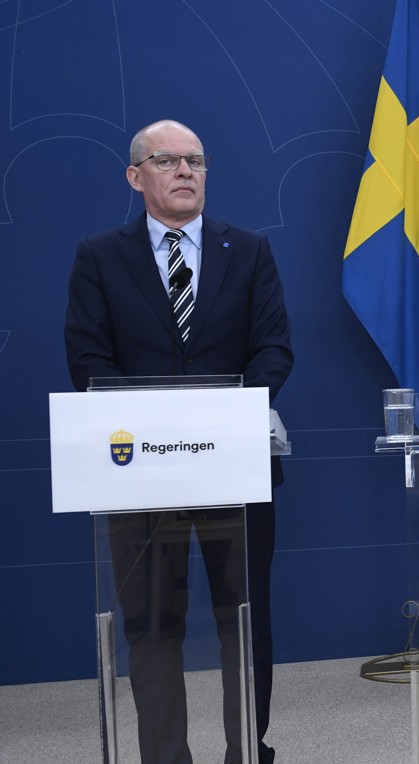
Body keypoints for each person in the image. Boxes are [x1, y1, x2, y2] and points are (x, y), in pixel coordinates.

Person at [64, 119, 292, 763]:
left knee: (243, 622)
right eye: (168, 161)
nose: (186, 171)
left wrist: (223, 419)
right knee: (152, 625)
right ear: (137, 178)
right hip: (139, 476)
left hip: (235, 470)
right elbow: (87, 358)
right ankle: (165, 757)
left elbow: (273, 349)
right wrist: (158, 429)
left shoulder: (247, 251)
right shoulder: (100, 256)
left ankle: (247, 749)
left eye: (195, 160)